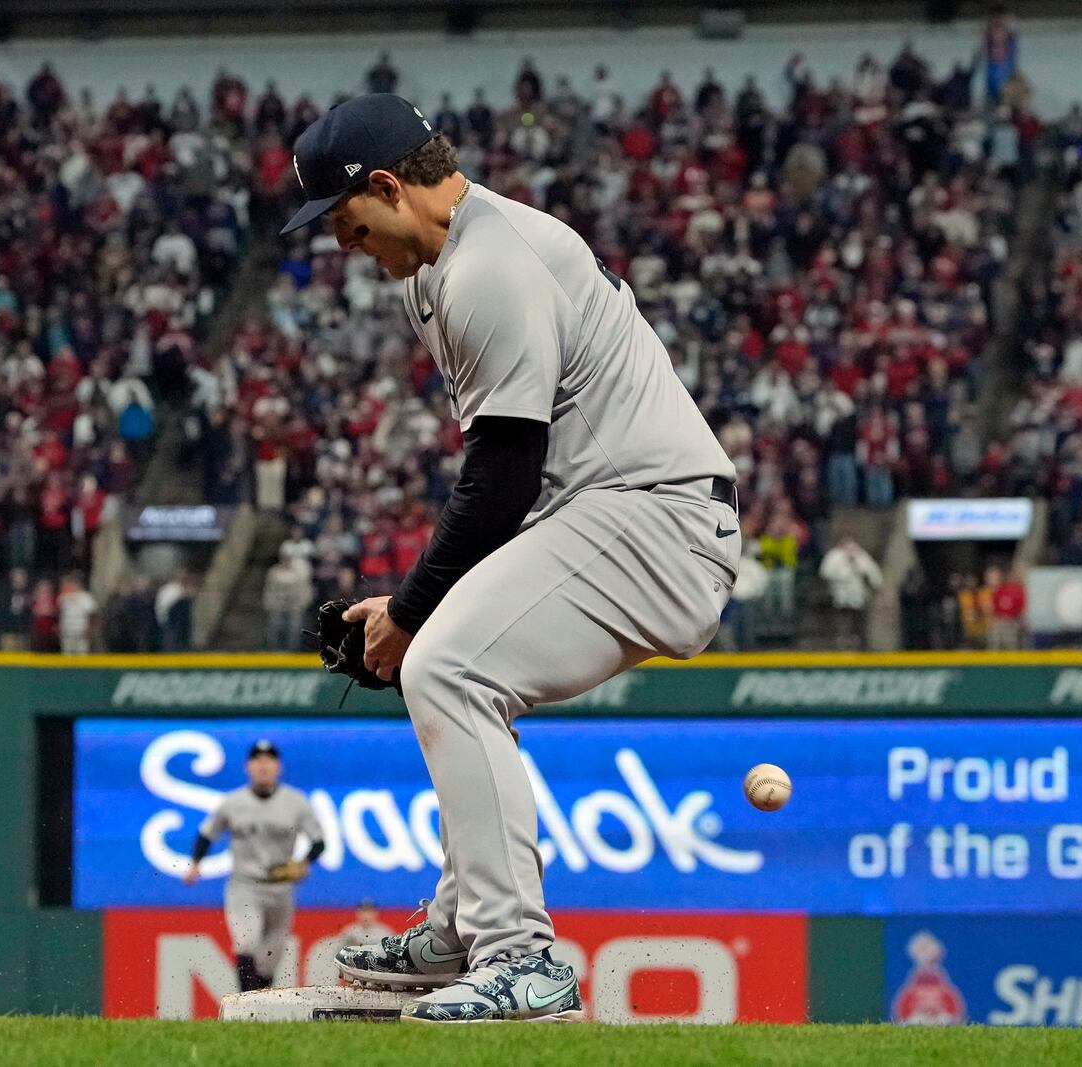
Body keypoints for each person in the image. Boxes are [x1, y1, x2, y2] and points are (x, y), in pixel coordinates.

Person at [281, 94, 738, 1021]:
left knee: (446, 664)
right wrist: (416, 605)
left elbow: (502, 474)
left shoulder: (488, 265)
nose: (342, 246)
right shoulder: (442, 259)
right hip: (609, 513)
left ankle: (521, 955)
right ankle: (460, 928)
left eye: (345, 222)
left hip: (656, 520)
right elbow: (507, 481)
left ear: (385, 186)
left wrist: (414, 614)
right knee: (456, 658)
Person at [184, 740, 326, 992]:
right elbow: (208, 833)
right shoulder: (233, 802)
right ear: (248, 766)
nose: (263, 765)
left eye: (269, 760)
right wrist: (195, 863)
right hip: (245, 885)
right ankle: (244, 1009)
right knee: (246, 942)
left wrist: (304, 863)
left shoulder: (295, 801)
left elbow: (319, 842)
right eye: (257, 760)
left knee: (270, 960)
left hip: (281, 888)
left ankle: (257, 1011)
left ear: (278, 766)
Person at [819, 536, 883, 651]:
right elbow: (825, 573)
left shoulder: (862, 556)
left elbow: (875, 576)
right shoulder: (834, 556)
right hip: (840, 595)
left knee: (858, 620)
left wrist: (858, 567)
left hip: (859, 597)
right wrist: (844, 574)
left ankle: (859, 642)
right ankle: (841, 640)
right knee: (843, 619)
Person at [56, 574, 99, 655]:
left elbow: (93, 613)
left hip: (81, 631)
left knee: (82, 654)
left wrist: (91, 629)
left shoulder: (86, 597)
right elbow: (59, 613)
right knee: (67, 655)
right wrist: (59, 626)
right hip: (67, 632)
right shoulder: (63, 597)